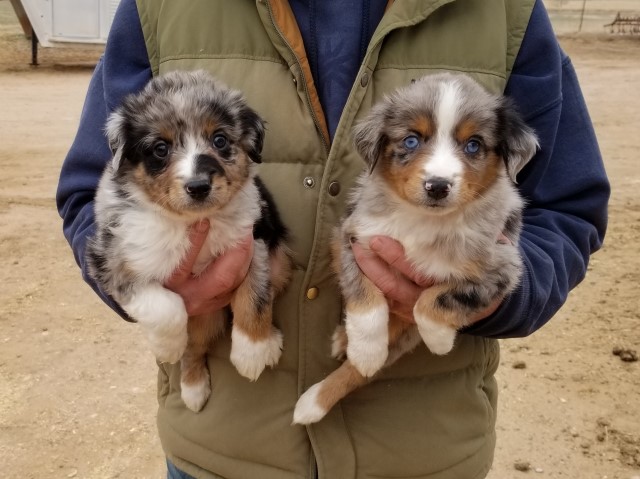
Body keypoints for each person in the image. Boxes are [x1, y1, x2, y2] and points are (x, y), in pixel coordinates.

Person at [56, 0, 609, 478]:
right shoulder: (158, 7)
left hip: (422, 449)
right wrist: (150, 294)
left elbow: (566, 210)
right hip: (223, 446)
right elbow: (91, 189)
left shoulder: (508, 11)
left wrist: (486, 292)